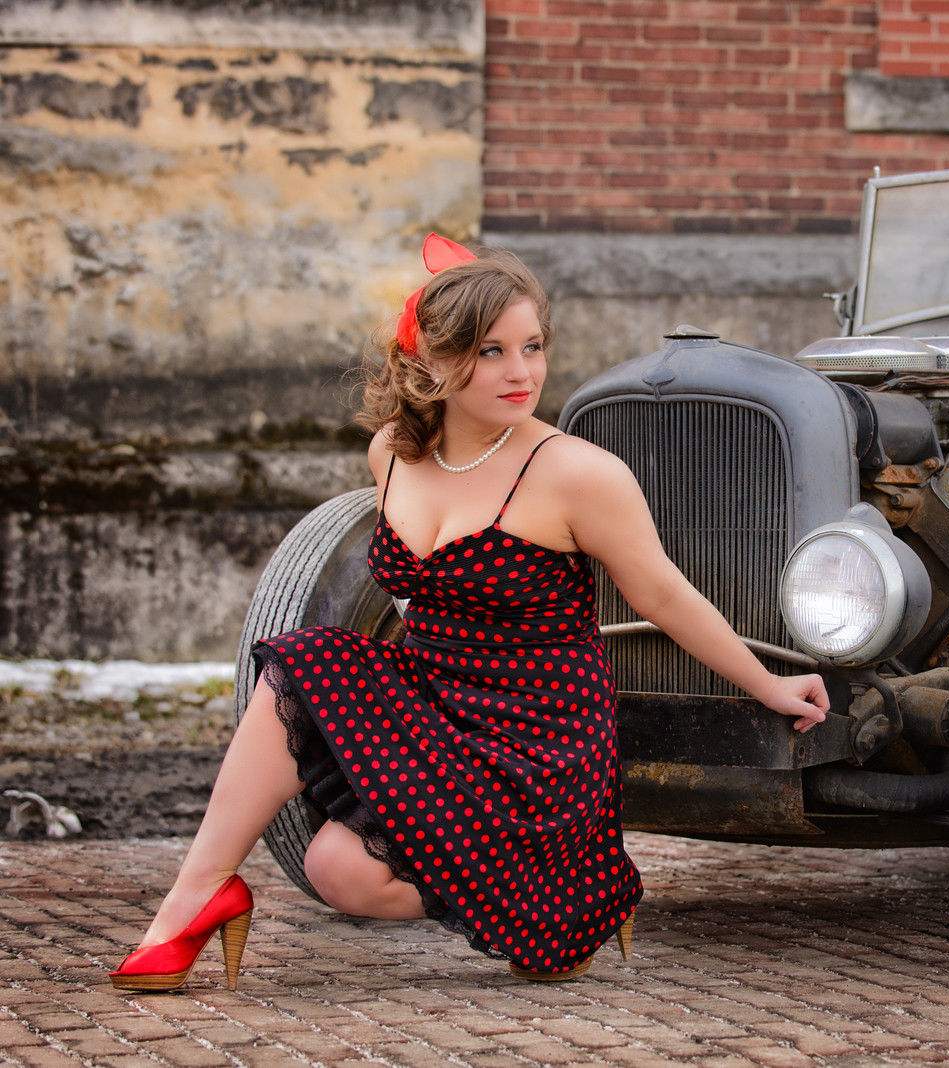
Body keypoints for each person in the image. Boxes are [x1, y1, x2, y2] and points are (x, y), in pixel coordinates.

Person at [110, 235, 829, 991]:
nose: (521, 373)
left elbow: (663, 596)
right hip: (438, 706)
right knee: (305, 670)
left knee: (338, 864)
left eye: (533, 347)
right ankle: (197, 895)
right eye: (491, 352)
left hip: (538, 743)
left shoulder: (577, 474)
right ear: (431, 361)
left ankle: (560, 894)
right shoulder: (392, 452)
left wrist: (769, 686)